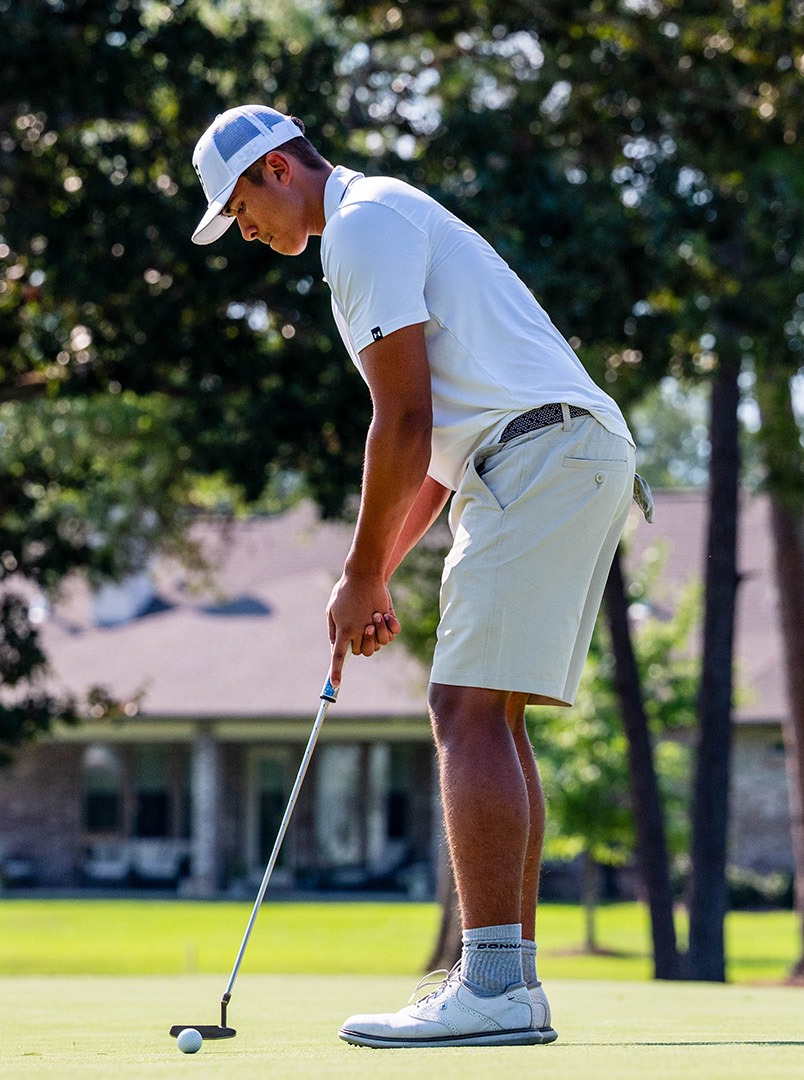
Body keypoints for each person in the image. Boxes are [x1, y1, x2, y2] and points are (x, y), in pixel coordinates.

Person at [187, 104, 650, 1049]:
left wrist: (357, 573)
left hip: (544, 455)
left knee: (463, 712)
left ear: (279, 169)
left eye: (239, 208)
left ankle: (492, 987)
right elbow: (435, 458)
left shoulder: (362, 228)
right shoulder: (376, 224)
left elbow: (400, 419)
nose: (245, 231)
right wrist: (376, 576)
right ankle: (507, 984)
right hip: (549, 456)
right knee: (491, 713)